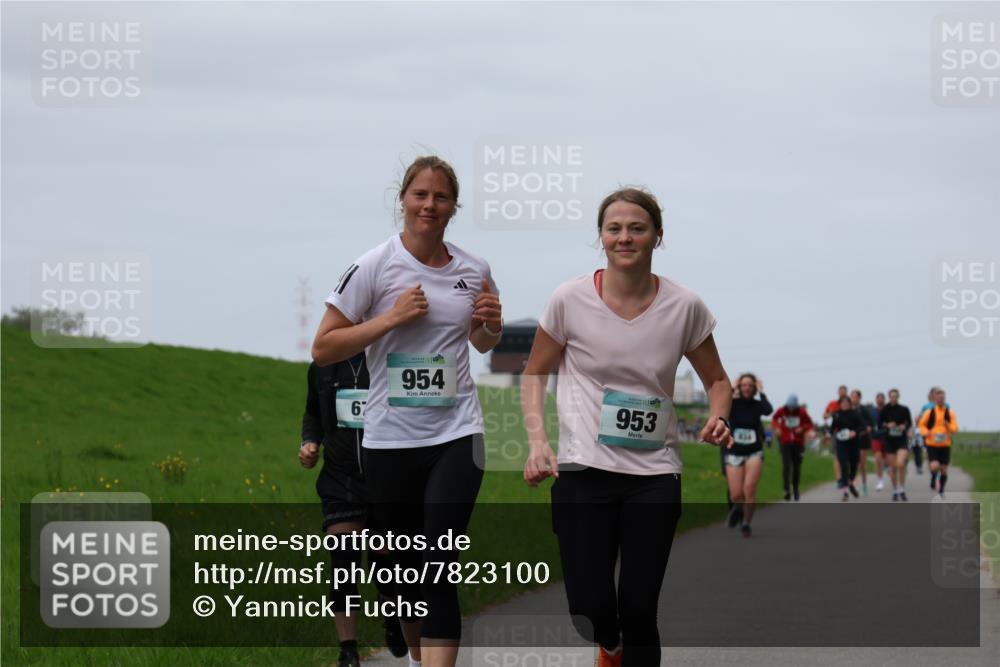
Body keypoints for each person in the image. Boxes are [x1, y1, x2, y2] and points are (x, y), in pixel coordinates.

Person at [521, 187, 733, 667]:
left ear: (657, 236)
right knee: (590, 612)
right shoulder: (568, 299)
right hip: (583, 469)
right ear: (601, 237)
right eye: (614, 228)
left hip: (654, 475)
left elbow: (718, 381)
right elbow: (535, 373)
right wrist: (538, 442)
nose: (625, 237)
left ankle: (624, 645)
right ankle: (608, 647)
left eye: (637, 228)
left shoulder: (685, 307)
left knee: (639, 609)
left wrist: (719, 416)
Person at [313, 155, 503, 667]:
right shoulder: (375, 264)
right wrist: (391, 319)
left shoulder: (474, 268)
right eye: (421, 194)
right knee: (403, 570)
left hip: (458, 432)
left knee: (439, 563)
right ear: (403, 199)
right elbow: (324, 346)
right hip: (390, 440)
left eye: (441, 197)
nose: (430, 205)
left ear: (454, 207)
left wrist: (491, 323)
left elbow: (484, 343)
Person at [300, 356, 408, 666]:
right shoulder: (322, 366)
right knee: (343, 562)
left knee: (384, 558)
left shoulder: (391, 357)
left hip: (385, 475)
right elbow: (312, 413)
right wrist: (309, 442)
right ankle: (348, 650)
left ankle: (393, 620)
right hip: (339, 479)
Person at [726, 373, 773, 536]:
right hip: (735, 452)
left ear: (754, 388)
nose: (747, 388)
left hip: (754, 451)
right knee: (736, 494)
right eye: (744, 385)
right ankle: (738, 509)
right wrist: (731, 388)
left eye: (750, 385)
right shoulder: (733, 403)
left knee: (749, 488)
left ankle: (746, 523)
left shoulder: (758, 405)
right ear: (740, 387)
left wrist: (762, 392)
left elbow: (768, 410)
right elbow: (721, 404)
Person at [772, 394, 814, 501]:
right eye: (789, 407)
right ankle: (786, 489)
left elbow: (809, 423)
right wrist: (777, 428)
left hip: (798, 443)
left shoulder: (802, 412)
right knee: (786, 466)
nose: (790, 409)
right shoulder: (781, 410)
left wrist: (803, 428)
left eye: (793, 407)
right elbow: (774, 419)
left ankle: (795, 487)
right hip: (785, 442)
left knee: (796, 467)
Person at [919, 388, 959, 498]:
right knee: (934, 466)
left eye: (943, 398)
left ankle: (941, 489)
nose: (941, 400)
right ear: (935, 400)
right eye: (939, 399)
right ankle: (933, 477)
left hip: (945, 445)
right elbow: (921, 425)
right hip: (932, 444)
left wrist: (948, 425)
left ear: (945, 399)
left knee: (944, 469)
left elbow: (955, 429)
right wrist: (927, 432)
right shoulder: (929, 412)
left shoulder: (950, 413)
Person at [878, 388, 913, 502]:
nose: (894, 398)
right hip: (889, 440)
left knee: (900, 464)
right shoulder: (885, 409)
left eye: (895, 396)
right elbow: (879, 424)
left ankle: (902, 489)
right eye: (892, 396)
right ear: (889, 397)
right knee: (893, 468)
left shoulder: (904, 409)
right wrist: (887, 425)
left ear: (898, 397)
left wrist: (905, 427)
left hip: (901, 440)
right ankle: (895, 490)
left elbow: (909, 423)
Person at [830, 395, 865, 501]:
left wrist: (855, 432)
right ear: (840, 404)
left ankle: (851, 484)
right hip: (841, 443)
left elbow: (863, 426)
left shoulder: (856, 414)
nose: (844, 404)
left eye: (846, 402)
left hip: (854, 444)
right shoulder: (837, 415)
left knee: (854, 466)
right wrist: (831, 434)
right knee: (844, 465)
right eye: (842, 403)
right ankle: (845, 492)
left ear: (850, 403)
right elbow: (832, 428)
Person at [850, 389, 875, 495]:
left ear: (859, 398)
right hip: (851, 439)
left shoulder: (864, 409)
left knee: (862, 465)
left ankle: (864, 485)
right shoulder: (848, 410)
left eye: (855, 397)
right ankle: (853, 483)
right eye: (852, 396)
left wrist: (868, 428)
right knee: (852, 463)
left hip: (862, 439)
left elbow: (871, 423)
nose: (853, 399)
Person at [824, 385, 849, 481]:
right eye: (840, 391)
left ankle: (846, 475)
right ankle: (839, 477)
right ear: (838, 392)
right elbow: (825, 415)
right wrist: (829, 414)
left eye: (844, 391)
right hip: (836, 432)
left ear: (846, 393)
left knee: (847, 456)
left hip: (848, 433)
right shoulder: (832, 404)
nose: (842, 393)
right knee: (837, 455)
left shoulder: (849, 404)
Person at [870, 392, 888, 491]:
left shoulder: (888, 410)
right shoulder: (872, 411)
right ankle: (880, 481)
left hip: (887, 437)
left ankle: (887, 467)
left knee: (887, 460)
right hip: (875, 437)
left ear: (884, 400)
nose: (880, 400)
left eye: (882, 398)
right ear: (876, 400)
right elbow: (868, 422)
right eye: (878, 398)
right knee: (877, 457)